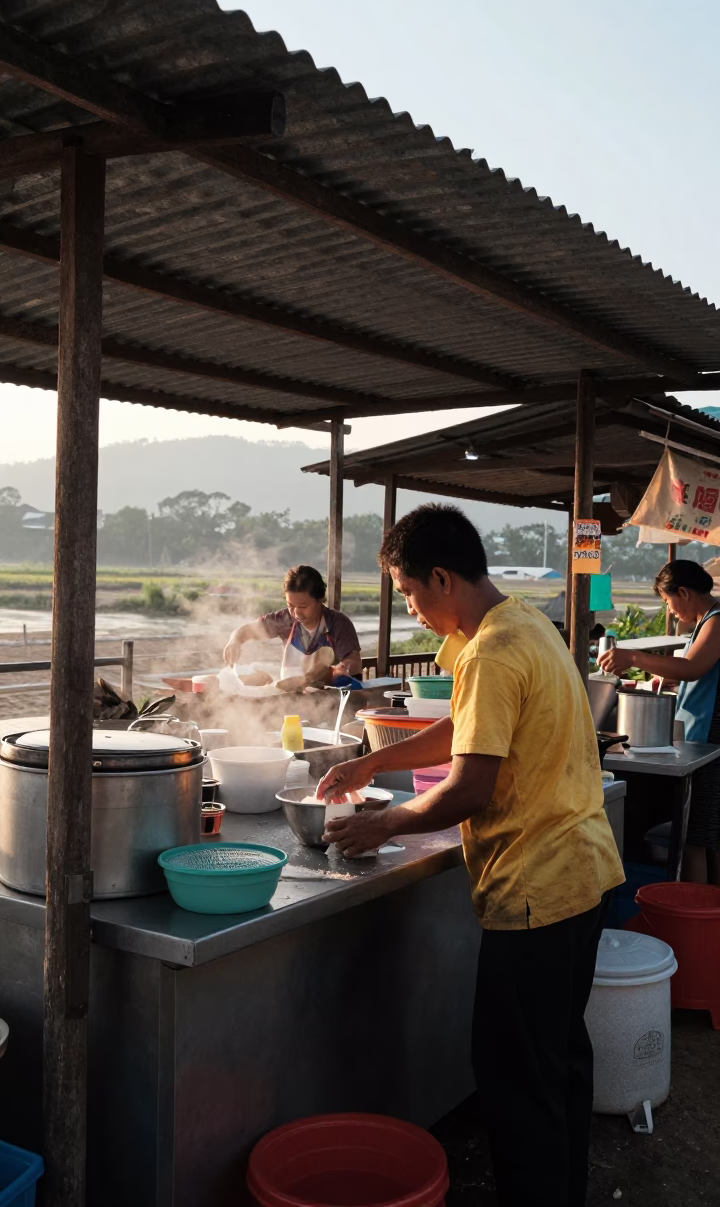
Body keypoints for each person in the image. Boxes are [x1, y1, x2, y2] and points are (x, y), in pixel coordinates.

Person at [318, 504, 624, 1207]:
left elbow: (470, 785)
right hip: (583, 875)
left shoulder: (490, 648)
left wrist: (382, 824)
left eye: (411, 596)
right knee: (559, 1065)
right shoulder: (525, 625)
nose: (415, 612)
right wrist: (376, 763)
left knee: (517, 1080)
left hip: (535, 889)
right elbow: (468, 726)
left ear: (442, 577)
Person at [600, 558, 720, 885]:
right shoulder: (706, 621)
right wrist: (672, 680)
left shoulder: (717, 620)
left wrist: (633, 657)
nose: (670, 610)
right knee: (707, 836)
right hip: (703, 739)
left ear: (683, 591)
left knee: (696, 836)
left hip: (712, 743)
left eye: (668, 601)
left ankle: (695, 918)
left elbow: (694, 668)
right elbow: (702, 676)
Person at [223, 564, 363, 687]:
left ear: (321, 599)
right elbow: (246, 630)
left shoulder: (338, 623)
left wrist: (343, 669)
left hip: (330, 699)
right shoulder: (284, 619)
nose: (296, 613)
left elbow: (353, 661)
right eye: (290, 605)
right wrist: (235, 641)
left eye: (303, 606)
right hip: (290, 698)